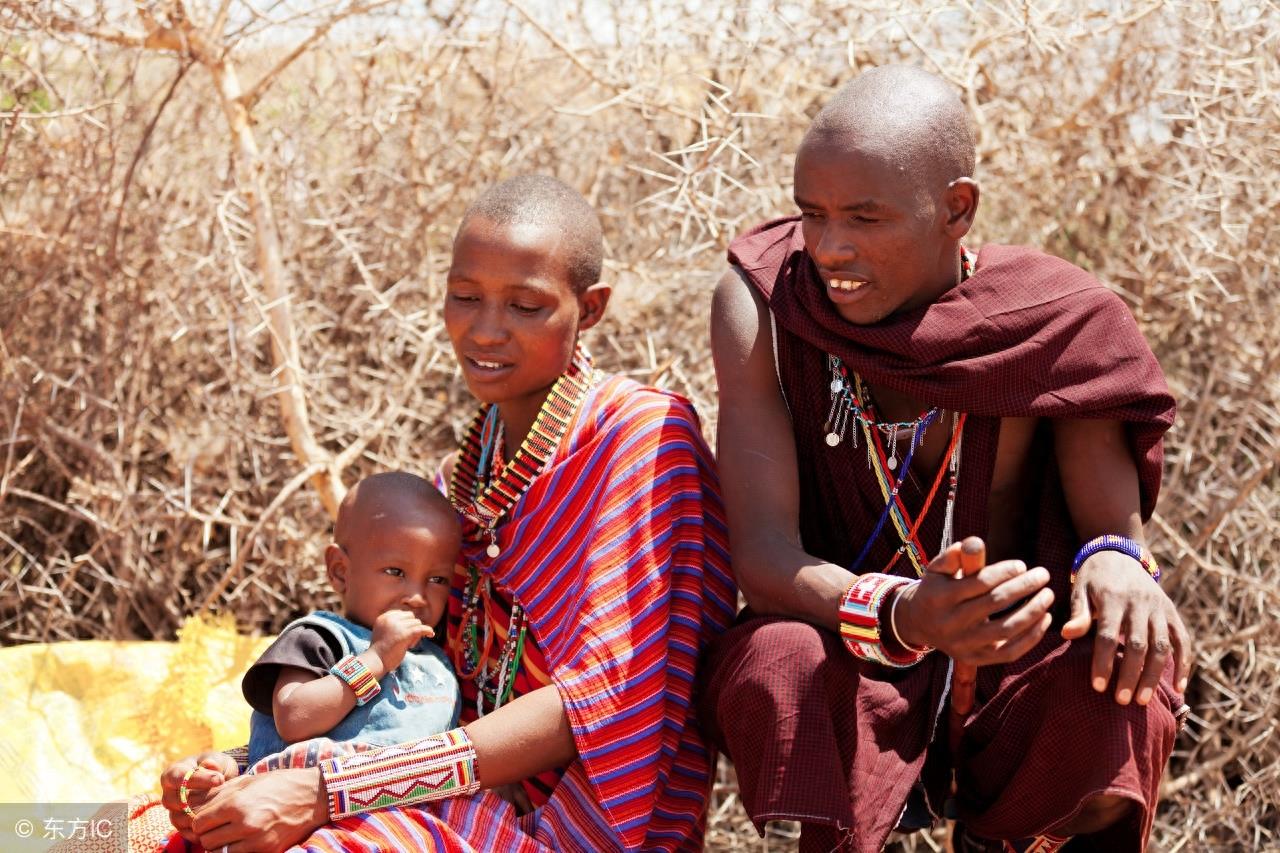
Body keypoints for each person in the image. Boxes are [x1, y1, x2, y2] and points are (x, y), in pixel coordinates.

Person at [142, 174, 736, 853]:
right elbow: (405, 696)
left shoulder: (643, 439)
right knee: (119, 830)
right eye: (464, 297)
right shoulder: (460, 483)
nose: (485, 330)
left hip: (572, 830)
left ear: (591, 307)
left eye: (525, 306)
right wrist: (250, 765)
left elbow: (600, 698)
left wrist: (331, 791)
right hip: (429, 793)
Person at [696, 65, 1190, 852]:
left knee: (1120, 676)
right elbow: (762, 557)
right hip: (846, 640)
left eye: (865, 217)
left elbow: (1114, 535)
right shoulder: (766, 303)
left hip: (1013, 657)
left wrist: (1121, 565)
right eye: (812, 214)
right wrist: (903, 613)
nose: (829, 247)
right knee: (778, 662)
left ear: (957, 209)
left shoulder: (1051, 323)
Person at [241, 471, 460, 768]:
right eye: (396, 572)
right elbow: (294, 718)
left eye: (437, 579)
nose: (417, 597)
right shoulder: (322, 638)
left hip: (408, 790)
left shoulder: (437, 662)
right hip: (310, 787)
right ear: (340, 571)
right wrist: (376, 658)